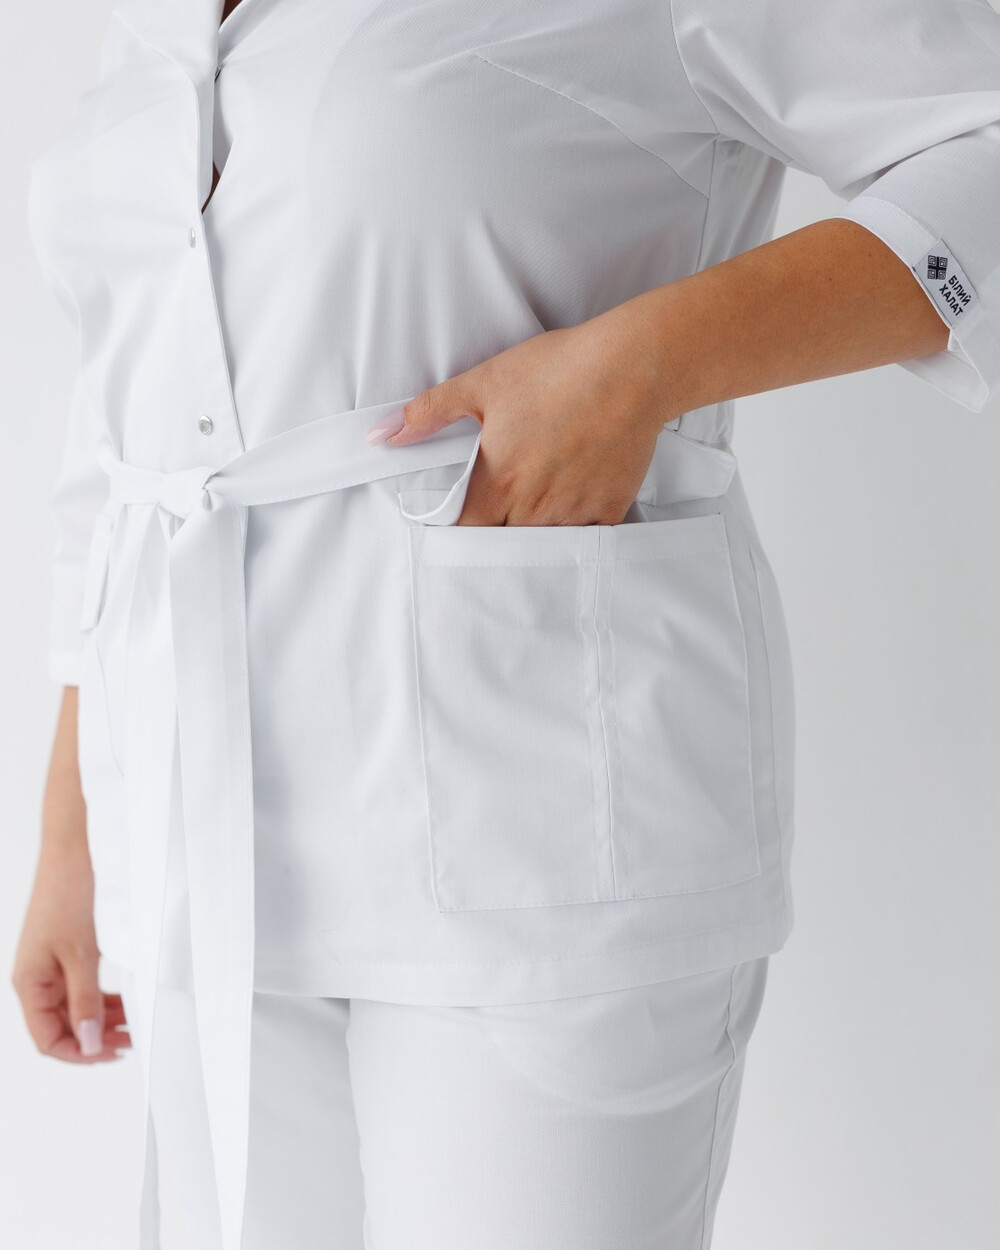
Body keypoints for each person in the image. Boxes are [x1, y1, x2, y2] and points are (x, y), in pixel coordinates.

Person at [12, 0, 1000, 1246]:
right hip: (197, 843)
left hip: (532, 822)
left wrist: (647, 363)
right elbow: (128, 419)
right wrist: (74, 827)